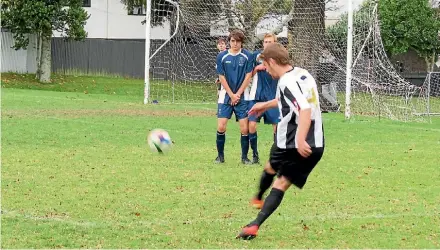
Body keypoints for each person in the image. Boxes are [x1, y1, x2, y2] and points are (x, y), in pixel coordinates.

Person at [236, 42, 325, 240]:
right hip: (316, 144)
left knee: (272, 170)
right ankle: (255, 222)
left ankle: (258, 201)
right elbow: (289, 100)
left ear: (272, 61)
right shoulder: (303, 74)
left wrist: (301, 140)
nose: (266, 70)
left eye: (266, 66)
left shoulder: (285, 81)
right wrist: (265, 105)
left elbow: (304, 109)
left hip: (292, 142)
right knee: (281, 181)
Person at [215, 29, 253, 165]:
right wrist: (231, 94)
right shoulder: (221, 56)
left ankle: (244, 157)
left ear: (241, 42)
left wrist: (237, 94)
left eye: (238, 41)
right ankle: (220, 156)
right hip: (226, 95)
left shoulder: (248, 56)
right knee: (221, 127)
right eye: (232, 41)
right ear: (229, 42)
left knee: (244, 128)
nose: (235, 43)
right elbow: (221, 76)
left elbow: (248, 76)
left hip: (243, 96)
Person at [248, 33, 280, 165]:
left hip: (273, 96)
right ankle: (255, 156)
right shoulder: (256, 56)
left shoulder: (279, 57)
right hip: (256, 95)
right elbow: (247, 74)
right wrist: (256, 68)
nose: (267, 44)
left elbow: (284, 73)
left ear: (275, 43)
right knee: (252, 125)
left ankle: (276, 157)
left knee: (276, 127)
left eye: (270, 42)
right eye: (265, 42)